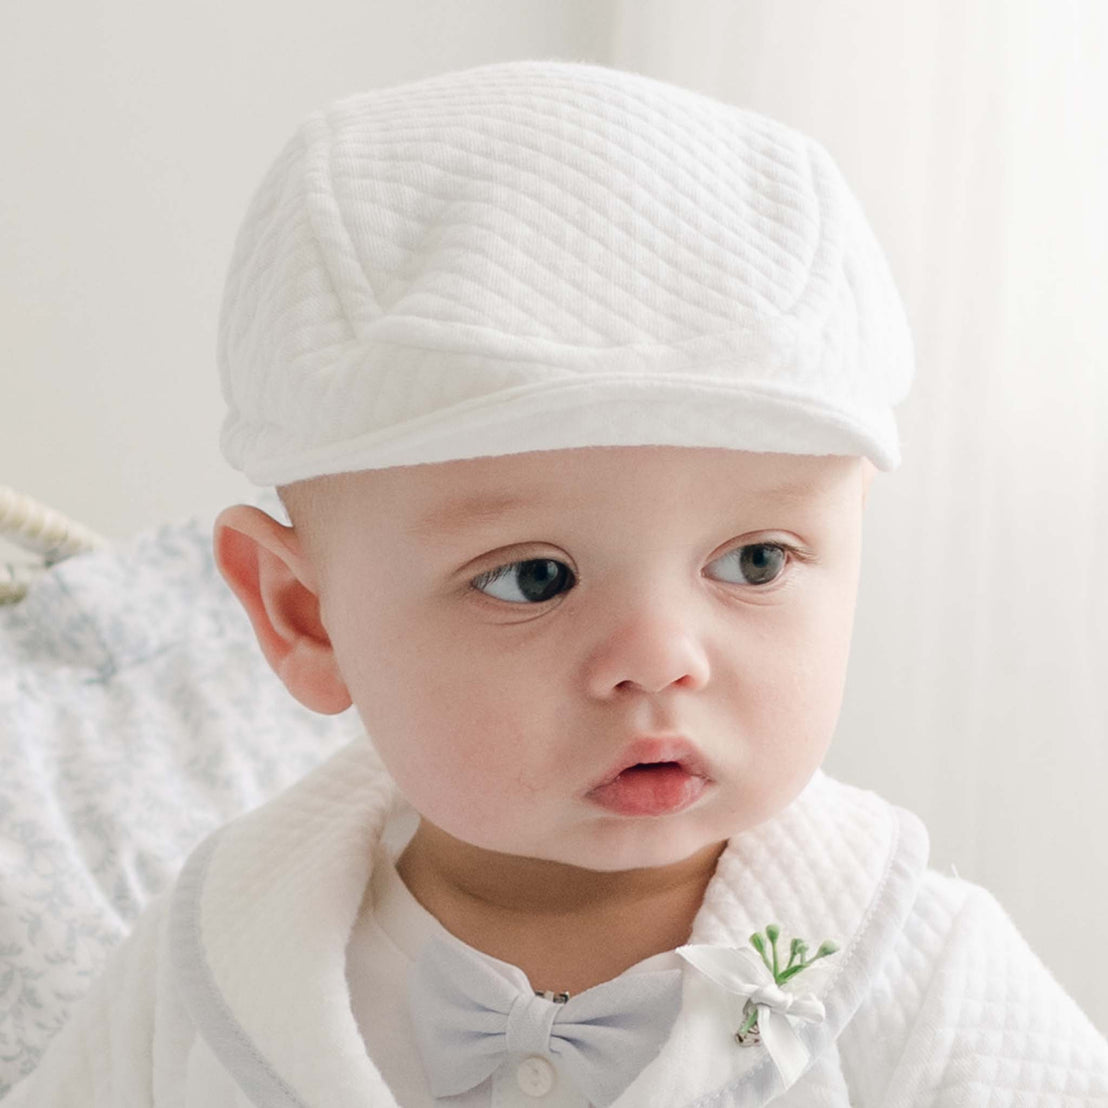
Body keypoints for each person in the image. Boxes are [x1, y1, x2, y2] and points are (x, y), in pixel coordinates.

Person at [7, 58, 1107, 1107]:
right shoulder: (219, 961)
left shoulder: (913, 972)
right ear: (306, 616)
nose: (659, 656)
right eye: (534, 578)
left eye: (755, 559)